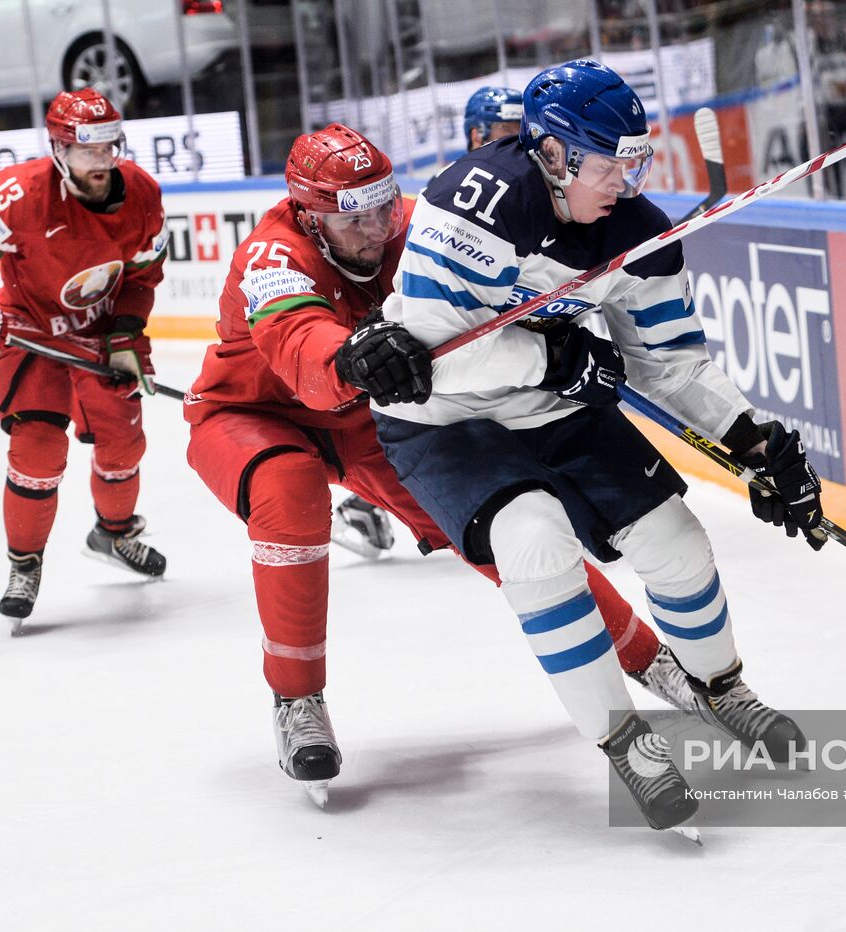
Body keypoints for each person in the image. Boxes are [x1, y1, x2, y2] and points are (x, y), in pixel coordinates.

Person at [373, 61, 825, 833]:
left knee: (677, 544)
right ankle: (626, 741)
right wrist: (553, 360)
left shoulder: (638, 233)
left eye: (636, 157)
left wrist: (758, 441)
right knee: (536, 546)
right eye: (610, 161)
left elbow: (671, 364)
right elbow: (428, 356)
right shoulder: (475, 200)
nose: (627, 177)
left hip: (551, 395)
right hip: (443, 415)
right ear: (551, 153)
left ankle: (722, 688)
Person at [183, 123, 693, 806]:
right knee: (290, 492)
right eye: (352, 217)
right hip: (254, 413)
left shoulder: (415, 230)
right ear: (310, 215)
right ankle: (297, 699)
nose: (374, 229)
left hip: (374, 421)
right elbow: (298, 340)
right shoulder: (272, 253)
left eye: (382, 207)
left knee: (503, 525)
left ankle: (650, 659)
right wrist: (350, 356)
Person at [0, 88, 169, 632]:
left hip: (100, 334)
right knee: (37, 449)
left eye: (109, 148)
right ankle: (24, 565)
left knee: (124, 440)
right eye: (86, 151)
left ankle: (115, 534)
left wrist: (126, 332)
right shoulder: (18, 194)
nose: (101, 163)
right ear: (57, 148)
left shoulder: (144, 194)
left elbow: (143, 276)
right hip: (30, 332)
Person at [329, 85, 525, 557]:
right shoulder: (455, 188)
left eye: (524, 131)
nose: (518, 141)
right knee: (431, 412)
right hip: (450, 328)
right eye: (505, 131)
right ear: (477, 133)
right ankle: (370, 502)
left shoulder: (523, 184)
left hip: (497, 327)